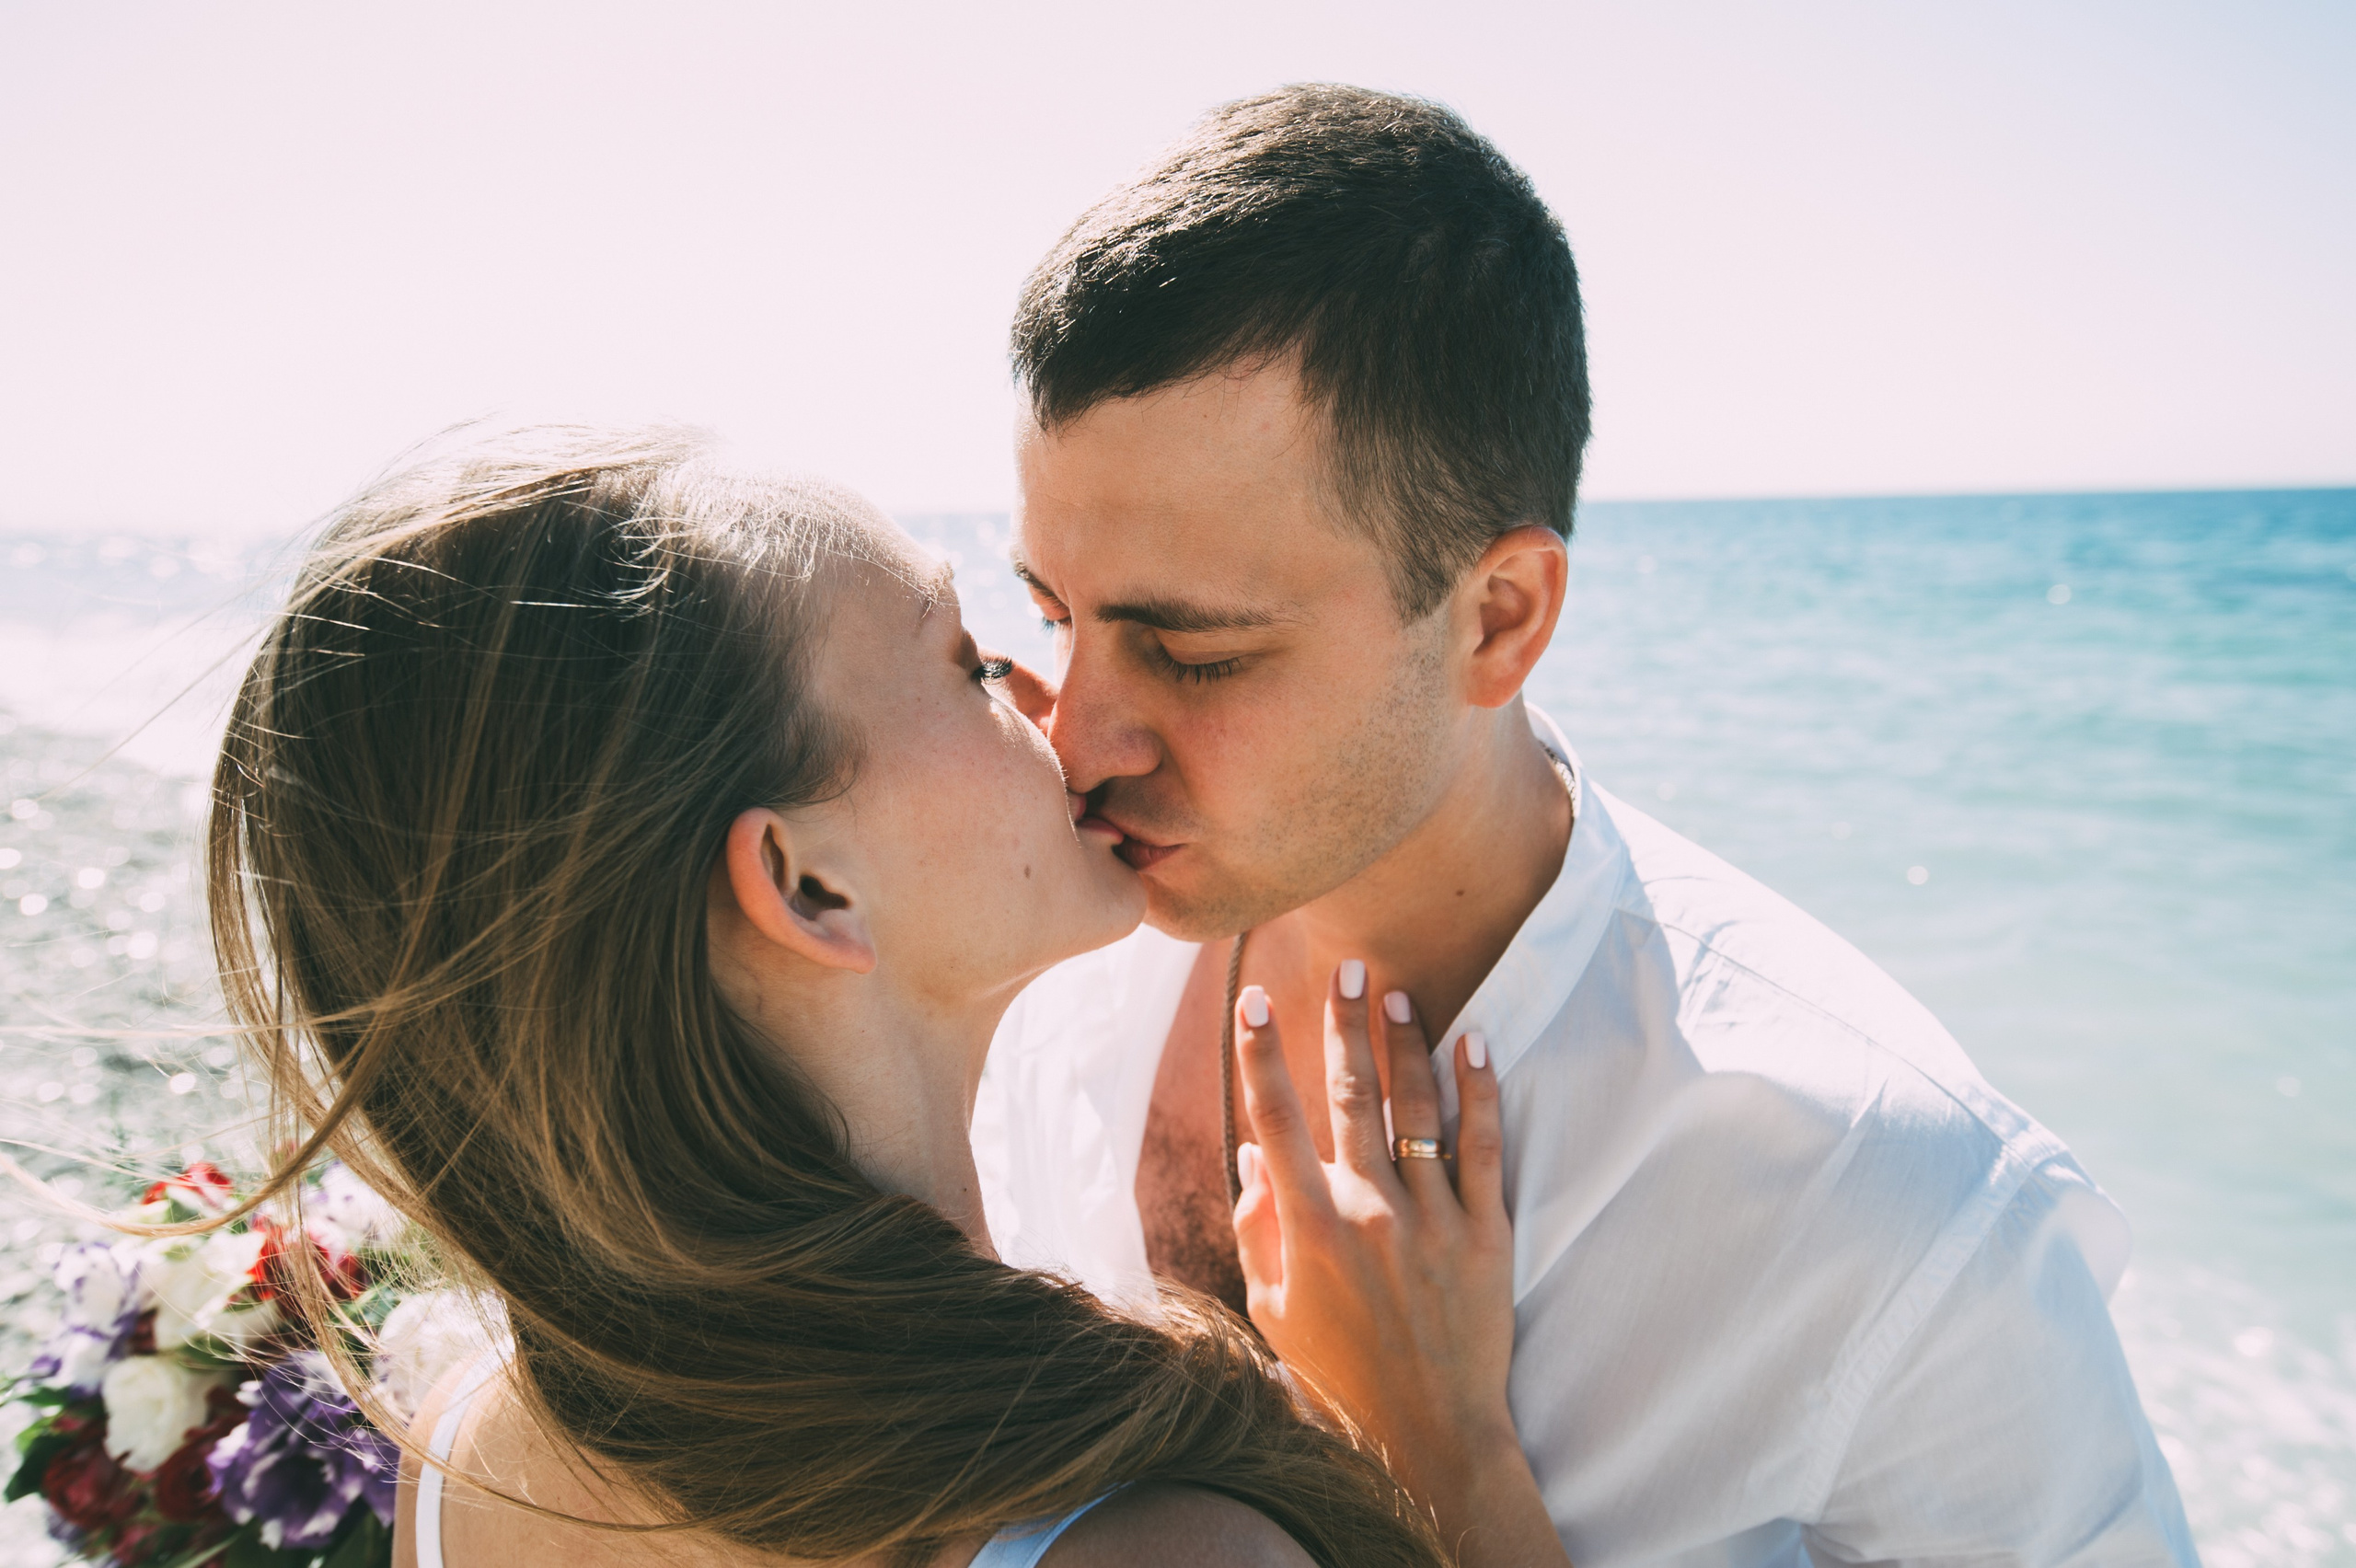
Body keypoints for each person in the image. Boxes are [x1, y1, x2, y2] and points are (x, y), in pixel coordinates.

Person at [976, 84, 2200, 1565]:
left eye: (1199, 653)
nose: (1078, 741)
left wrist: (1452, 1480)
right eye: (1053, 615)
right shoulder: (1019, 961)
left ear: (1499, 619)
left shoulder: (1887, 1206)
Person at [197, 428, 1515, 1568]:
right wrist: (1441, 1452)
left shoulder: (470, 1457)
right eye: (968, 666)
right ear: (807, 884)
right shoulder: (1149, 1548)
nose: (1062, 703)